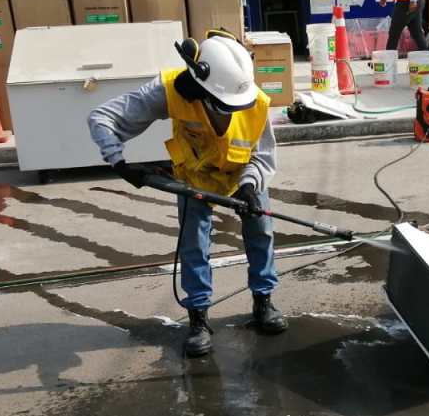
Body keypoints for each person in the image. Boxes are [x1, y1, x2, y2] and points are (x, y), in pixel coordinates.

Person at [87, 29, 286, 358]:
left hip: (243, 175)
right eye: (221, 105)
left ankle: (263, 301)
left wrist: (251, 186)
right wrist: (119, 162)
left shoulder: (256, 101)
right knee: (194, 242)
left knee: (261, 230)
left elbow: (262, 156)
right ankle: (198, 317)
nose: (229, 110)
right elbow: (102, 117)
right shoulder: (169, 90)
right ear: (200, 84)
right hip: (195, 177)